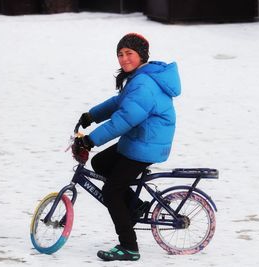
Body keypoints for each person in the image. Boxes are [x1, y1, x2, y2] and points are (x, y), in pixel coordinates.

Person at [73, 33, 181, 261]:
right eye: (120, 54)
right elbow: (118, 103)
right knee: (100, 162)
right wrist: (91, 115)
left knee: (111, 192)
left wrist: (91, 140)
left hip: (147, 145)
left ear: (141, 55)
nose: (123, 59)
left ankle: (129, 247)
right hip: (140, 139)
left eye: (129, 53)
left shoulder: (144, 84)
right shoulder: (140, 77)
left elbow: (124, 119)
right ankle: (135, 205)